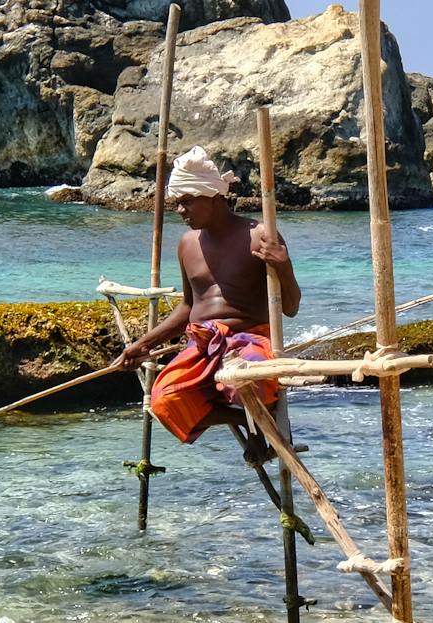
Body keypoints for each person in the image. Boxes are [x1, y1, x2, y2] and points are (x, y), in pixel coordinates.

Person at [118, 145, 301, 447]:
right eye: (177, 203)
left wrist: (283, 265)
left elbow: (291, 308)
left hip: (249, 340)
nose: (180, 211)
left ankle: (259, 415)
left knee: (250, 384)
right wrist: (143, 344)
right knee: (163, 401)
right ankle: (251, 420)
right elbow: (188, 307)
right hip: (202, 344)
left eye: (187, 201)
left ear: (212, 196)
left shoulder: (259, 235)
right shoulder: (187, 244)